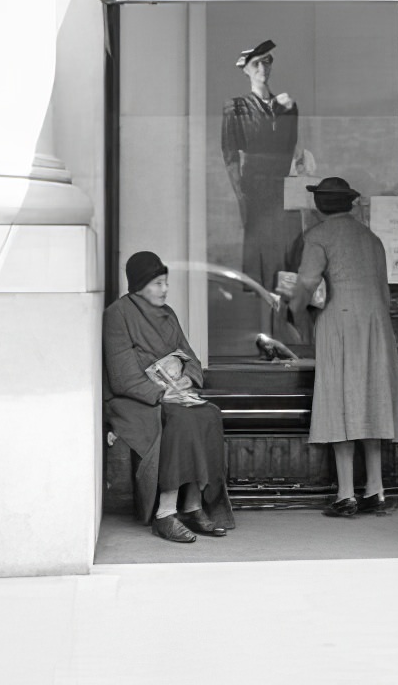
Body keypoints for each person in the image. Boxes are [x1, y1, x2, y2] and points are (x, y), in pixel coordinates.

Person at [282, 176, 398, 517]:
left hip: (339, 324)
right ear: (350, 203)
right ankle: (376, 489)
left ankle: (345, 493)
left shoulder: (318, 236)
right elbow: (385, 292)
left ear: (320, 204)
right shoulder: (372, 239)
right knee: (372, 400)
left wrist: (291, 313)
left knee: (340, 401)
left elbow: (308, 282)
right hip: (376, 326)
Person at [103, 251, 234, 543]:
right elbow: (122, 378)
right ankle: (164, 513)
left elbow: (190, 357)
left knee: (207, 413)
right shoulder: (117, 314)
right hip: (135, 401)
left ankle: (193, 505)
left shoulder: (168, 314)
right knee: (180, 418)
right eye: (158, 283)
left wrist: (189, 377)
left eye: (166, 283)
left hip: (173, 394)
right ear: (139, 284)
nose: (165, 289)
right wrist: (163, 395)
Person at [221, 39, 301, 317]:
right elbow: (230, 154)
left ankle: (287, 317)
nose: (262, 68)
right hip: (255, 189)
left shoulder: (286, 106)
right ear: (246, 69)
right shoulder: (237, 107)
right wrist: (241, 196)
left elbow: (290, 148)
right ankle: (264, 320)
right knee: (261, 256)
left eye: (267, 61)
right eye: (256, 63)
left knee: (287, 253)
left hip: (282, 189)